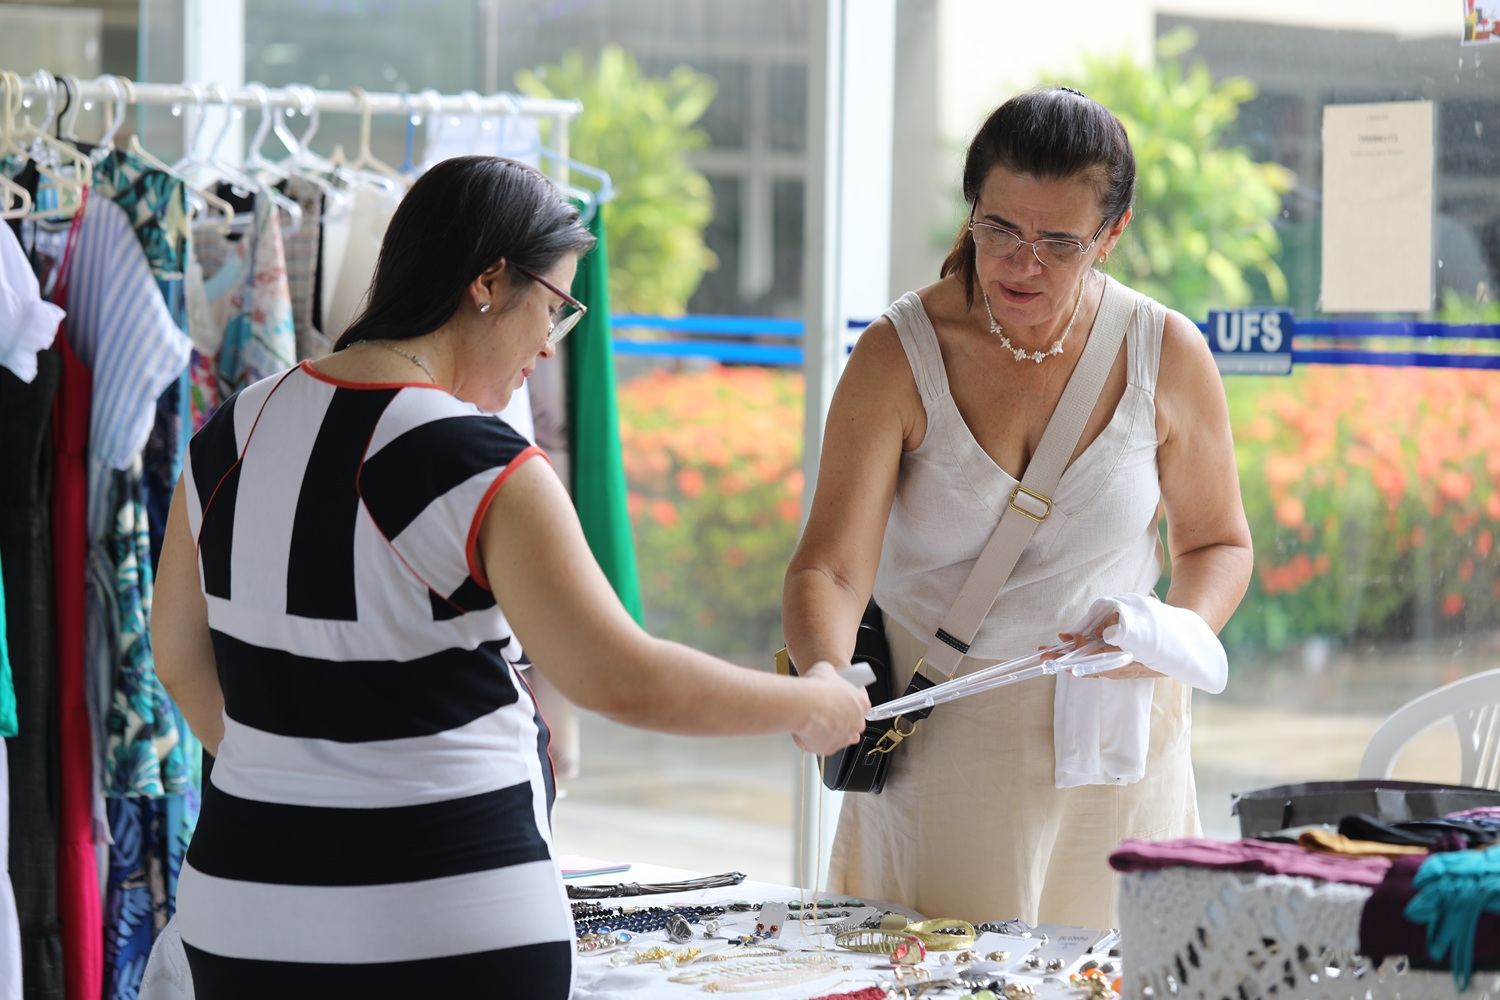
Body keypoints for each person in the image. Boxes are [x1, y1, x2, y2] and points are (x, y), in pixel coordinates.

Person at [150, 154, 869, 999]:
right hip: (447, 922)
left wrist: (294, 778)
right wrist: (815, 701)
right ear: (489, 281)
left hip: (241, 917)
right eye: (555, 308)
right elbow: (620, 679)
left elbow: (179, 657)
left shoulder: (235, 426)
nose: (547, 347)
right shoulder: (481, 461)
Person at [781, 88, 1253, 929]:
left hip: (1119, 753)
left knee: (1112, 974)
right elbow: (829, 565)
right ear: (971, 211)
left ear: (1113, 233)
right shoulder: (900, 353)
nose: (1020, 263)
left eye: (1058, 243)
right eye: (998, 229)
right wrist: (825, 675)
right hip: (945, 752)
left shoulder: (1165, 352)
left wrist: (1172, 636)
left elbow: (1218, 542)